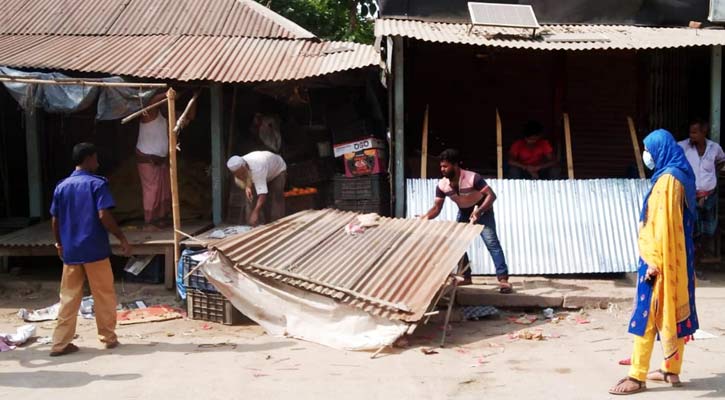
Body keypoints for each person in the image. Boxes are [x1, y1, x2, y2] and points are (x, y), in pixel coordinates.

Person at [609, 129, 698, 395]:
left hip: (659, 259)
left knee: (646, 314)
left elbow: (662, 227)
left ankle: (636, 376)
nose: (646, 155)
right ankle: (671, 369)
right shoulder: (681, 174)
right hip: (679, 258)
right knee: (677, 309)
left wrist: (653, 262)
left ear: (659, 150)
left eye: (648, 149)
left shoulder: (668, 181)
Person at [49, 143, 132, 357]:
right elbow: (104, 215)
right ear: (88, 159)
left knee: (68, 297)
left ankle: (60, 343)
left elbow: (55, 220)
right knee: (103, 294)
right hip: (95, 249)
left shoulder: (61, 186)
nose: (98, 162)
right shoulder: (97, 184)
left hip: (71, 251)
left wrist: (59, 243)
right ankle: (108, 337)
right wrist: (121, 237)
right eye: (95, 158)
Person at [420, 149, 512, 293]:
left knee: (491, 243)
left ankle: (503, 280)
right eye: (441, 166)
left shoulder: (473, 178)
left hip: (483, 210)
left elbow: (491, 195)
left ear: (455, 165)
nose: (442, 169)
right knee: (457, 243)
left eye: (445, 166)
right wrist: (424, 217)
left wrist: (479, 211)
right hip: (463, 212)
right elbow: (436, 208)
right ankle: (466, 277)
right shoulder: (442, 185)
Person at [135, 93, 195, 231]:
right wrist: (167, 94)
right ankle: (149, 222)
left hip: (161, 160)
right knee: (152, 191)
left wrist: (193, 95)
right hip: (148, 159)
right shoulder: (148, 114)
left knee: (164, 191)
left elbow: (189, 116)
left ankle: (160, 219)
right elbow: (151, 102)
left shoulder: (166, 119)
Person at [678, 118, 725, 263]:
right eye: (690, 132)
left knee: (708, 229)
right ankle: (693, 260)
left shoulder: (714, 148)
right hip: (691, 195)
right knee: (693, 229)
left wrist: (711, 177)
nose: (692, 135)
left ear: (704, 132)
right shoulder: (682, 146)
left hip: (709, 196)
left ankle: (700, 255)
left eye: (695, 132)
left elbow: (721, 161)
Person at [226, 151, 287, 226]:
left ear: (245, 167)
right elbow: (243, 177)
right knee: (251, 198)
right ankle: (257, 225)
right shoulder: (240, 166)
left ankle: (278, 225)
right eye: (237, 175)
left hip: (277, 171)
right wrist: (247, 187)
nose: (240, 176)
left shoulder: (257, 168)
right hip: (262, 172)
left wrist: (255, 212)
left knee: (276, 199)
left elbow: (262, 194)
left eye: (241, 174)